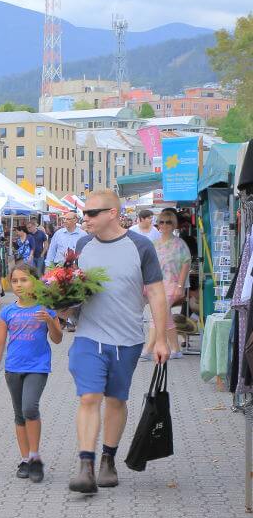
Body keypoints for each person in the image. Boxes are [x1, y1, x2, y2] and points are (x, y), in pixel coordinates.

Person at [67, 190, 168, 494]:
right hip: (88, 335)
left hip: (127, 338)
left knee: (116, 399)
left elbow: (157, 294)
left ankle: (108, 459)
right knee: (89, 398)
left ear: (113, 213)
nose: (86, 219)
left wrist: (161, 338)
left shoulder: (141, 247)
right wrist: (62, 307)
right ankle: (86, 465)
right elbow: (73, 289)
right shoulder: (82, 245)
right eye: (84, 214)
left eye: (92, 213)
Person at [0, 263, 63, 483]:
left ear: (36, 282)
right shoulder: (8, 311)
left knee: (30, 407)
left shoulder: (45, 307)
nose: (19, 285)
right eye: (15, 281)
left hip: (37, 368)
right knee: (19, 414)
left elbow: (57, 340)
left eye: (24, 280)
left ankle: (36, 457)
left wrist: (50, 321)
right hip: (13, 369)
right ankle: (25, 459)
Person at [142, 209, 192, 360]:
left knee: (157, 315)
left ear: (174, 224)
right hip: (156, 285)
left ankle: (148, 349)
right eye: (161, 221)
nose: (164, 225)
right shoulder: (154, 244)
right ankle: (176, 349)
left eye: (168, 222)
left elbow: (186, 264)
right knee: (165, 316)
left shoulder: (179, 244)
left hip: (172, 284)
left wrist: (180, 286)